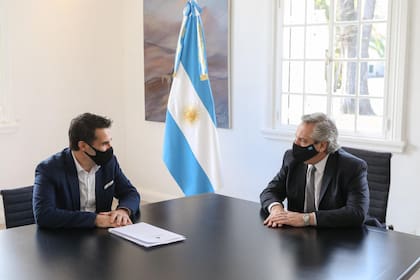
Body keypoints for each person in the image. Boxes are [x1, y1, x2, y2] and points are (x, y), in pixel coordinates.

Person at [260, 112, 369, 228]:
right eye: (296, 137)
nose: (295, 144)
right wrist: (276, 210)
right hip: (298, 236)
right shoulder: (291, 159)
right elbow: (270, 191)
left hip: (339, 237)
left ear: (322, 146)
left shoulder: (352, 167)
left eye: (303, 140)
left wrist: (307, 219)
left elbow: (356, 213)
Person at [33, 113, 141, 228]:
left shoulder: (109, 163)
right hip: (65, 237)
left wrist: (123, 211)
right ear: (83, 146)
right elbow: (44, 215)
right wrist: (96, 219)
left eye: (110, 141)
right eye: (104, 143)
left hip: (101, 238)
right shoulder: (48, 169)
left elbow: (130, 193)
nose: (110, 147)